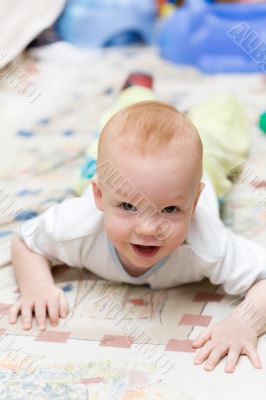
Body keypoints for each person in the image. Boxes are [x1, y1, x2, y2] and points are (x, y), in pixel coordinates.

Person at [9, 74, 266, 374]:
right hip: (107, 168)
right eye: (128, 206)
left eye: (170, 209)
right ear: (99, 197)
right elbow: (25, 241)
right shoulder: (77, 224)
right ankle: (135, 88)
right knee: (119, 125)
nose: (148, 229)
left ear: (194, 204)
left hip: (200, 166)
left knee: (217, 136)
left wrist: (245, 322)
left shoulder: (207, 243)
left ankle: (224, 100)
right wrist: (36, 285)